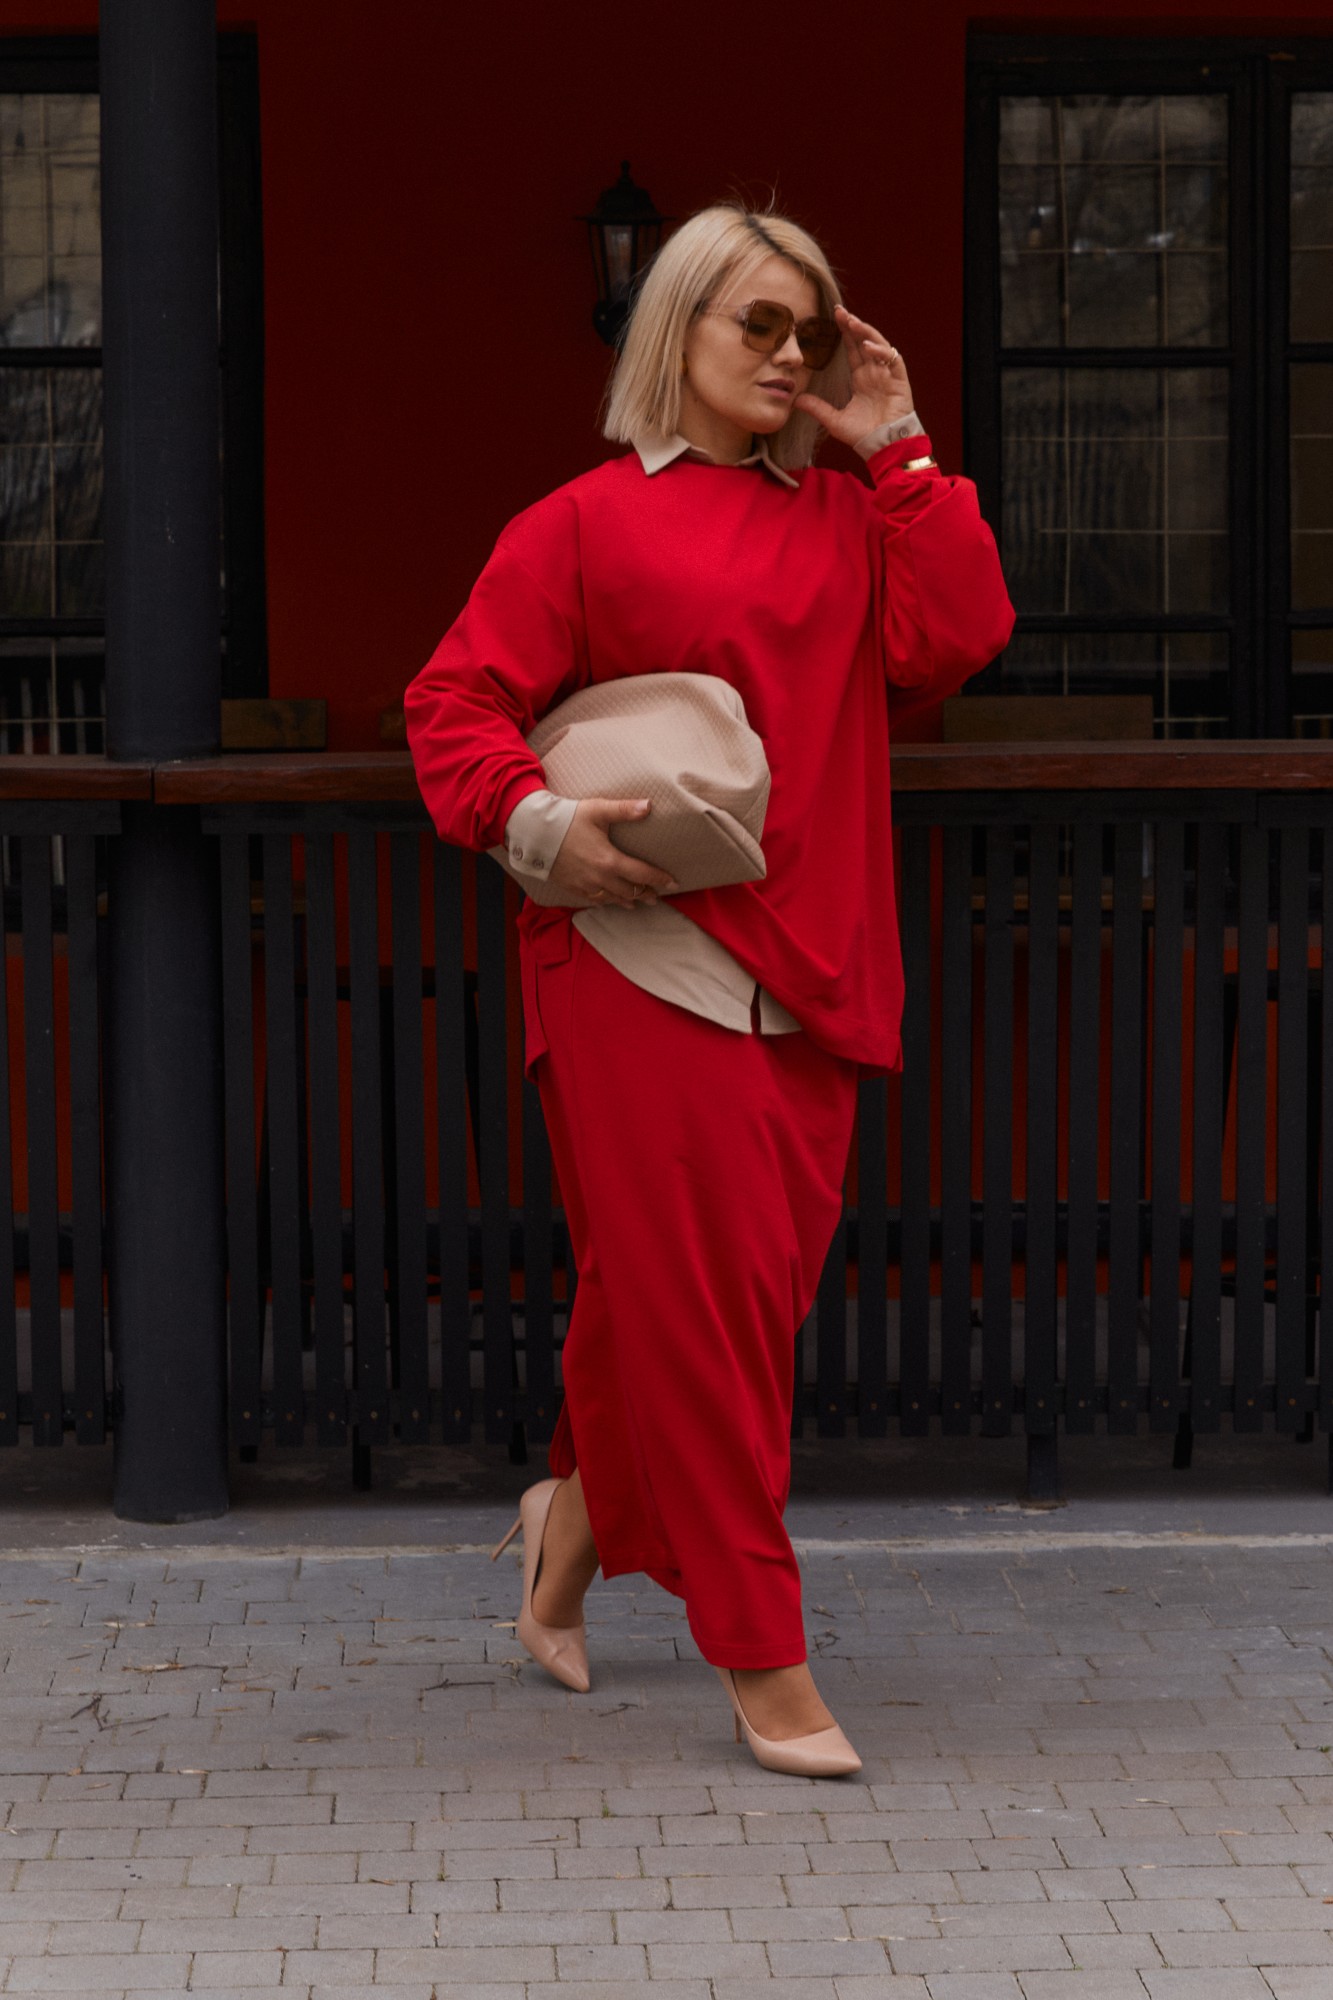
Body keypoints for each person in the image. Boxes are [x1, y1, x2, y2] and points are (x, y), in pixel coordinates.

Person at [405, 203, 1015, 1776]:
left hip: (812, 966)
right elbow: (453, 704)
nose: (791, 353)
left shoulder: (850, 520)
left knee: (699, 1304)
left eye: (811, 329)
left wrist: (899, 446)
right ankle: (762, 1654)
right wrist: (538, 822)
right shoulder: (578, 524)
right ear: (672, 327)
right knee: (707, 1324)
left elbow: (957, 635)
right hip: (632, 956)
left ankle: (562, 1535)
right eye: (758, 323)